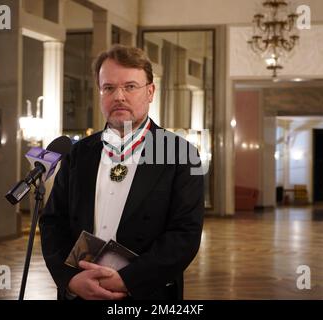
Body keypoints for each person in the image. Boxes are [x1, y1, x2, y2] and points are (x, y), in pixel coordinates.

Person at [39, 44, 204, 300]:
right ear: (100, 92)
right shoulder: (78, 153)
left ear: (150, 92)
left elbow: (185, 235)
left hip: (146, 293)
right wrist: (70, 280)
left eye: (130, 86)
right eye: (109, 88)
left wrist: (128, 280)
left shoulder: (180, 154)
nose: (119, 96)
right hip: (80, 291)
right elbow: (53, 222)